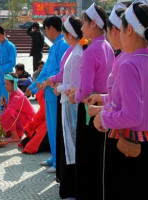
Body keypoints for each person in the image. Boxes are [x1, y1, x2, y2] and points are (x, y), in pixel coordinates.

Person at [93, 1, 148, 199]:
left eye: (121, 30)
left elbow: (131, 115)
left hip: (123, 145)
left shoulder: (128, 65)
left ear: (129, 30)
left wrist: (103, 119)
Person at [66, 3, 114, 200]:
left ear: (94, 24)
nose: (82, 28)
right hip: (104, 104)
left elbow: (85, 89)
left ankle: (85, 194)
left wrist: (74, 96)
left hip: (88, 106)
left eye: (84, 23)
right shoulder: (108, 46)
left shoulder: (91, 50)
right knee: (98, 155)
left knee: (86, 154)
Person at [25, 16, 69, 173]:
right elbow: (45, 70)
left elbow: (59, 71)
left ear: (51, 28)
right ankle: (54, 157)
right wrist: (33, 86)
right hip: (48, 92)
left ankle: (59, 161)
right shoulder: (54, 46)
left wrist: (44, 83)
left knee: (57, 127)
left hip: (55, 92)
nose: (46, 32)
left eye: (46, 29)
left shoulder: (63, 45)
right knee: (51, 126)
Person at [53, 15, 86, 199]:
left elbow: (75, 85)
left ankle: (71, 188)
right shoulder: (76, 51)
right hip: (68, 102)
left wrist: (60, 88)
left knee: (71, 143)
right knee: (69, 143)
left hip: (72, 104)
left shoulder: (77, 55)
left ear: (70, 35)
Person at [0, 73, 35, 142]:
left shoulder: (17, 96)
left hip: (28, 121)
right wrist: (4, 105)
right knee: (6, 131)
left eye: (7, 84)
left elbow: (9, 112)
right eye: (5, 84)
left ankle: (14, 137)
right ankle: (15, 134)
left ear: (13, 84)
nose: (5, 86)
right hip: (22, 119)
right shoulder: (13, 92)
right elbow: (9, 108)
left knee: (10, 114)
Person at [0, 26, 17, 114]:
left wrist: (0, 68)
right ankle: (1, 120)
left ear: (4, 34)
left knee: (7, 100)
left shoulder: (11, 46)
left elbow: (12, 63)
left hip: (8, 77)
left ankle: (8, 120)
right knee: (0, 100)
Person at [18, 89, 50, 154]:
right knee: (24, 143)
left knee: (30, 145)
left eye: (7, 84)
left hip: (49, 125)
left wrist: (29, 127)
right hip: (44, 122)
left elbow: (42, 114)